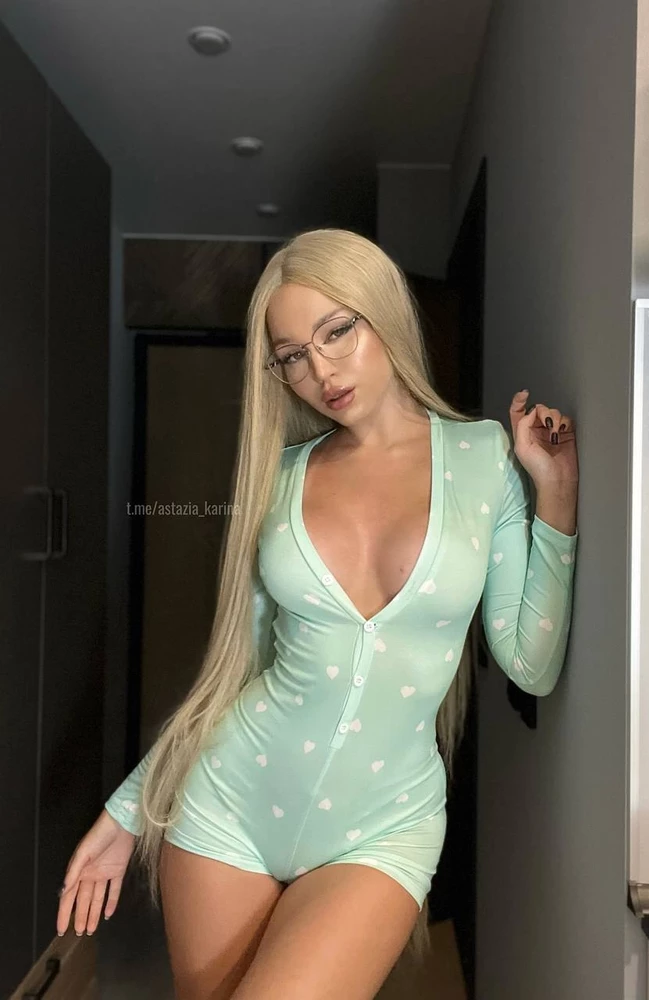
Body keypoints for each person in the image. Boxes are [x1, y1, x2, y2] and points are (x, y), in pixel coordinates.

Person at [55, 228, 579, 1000]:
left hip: (382, 826)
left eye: (337, 332)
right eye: (292, 355)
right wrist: (130, 809)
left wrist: (556, 495)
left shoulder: (484, 460)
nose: (321, 370)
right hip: (226, 809)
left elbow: (529, 664)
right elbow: (235, 676)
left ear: (382, 312)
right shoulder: (278, 480)